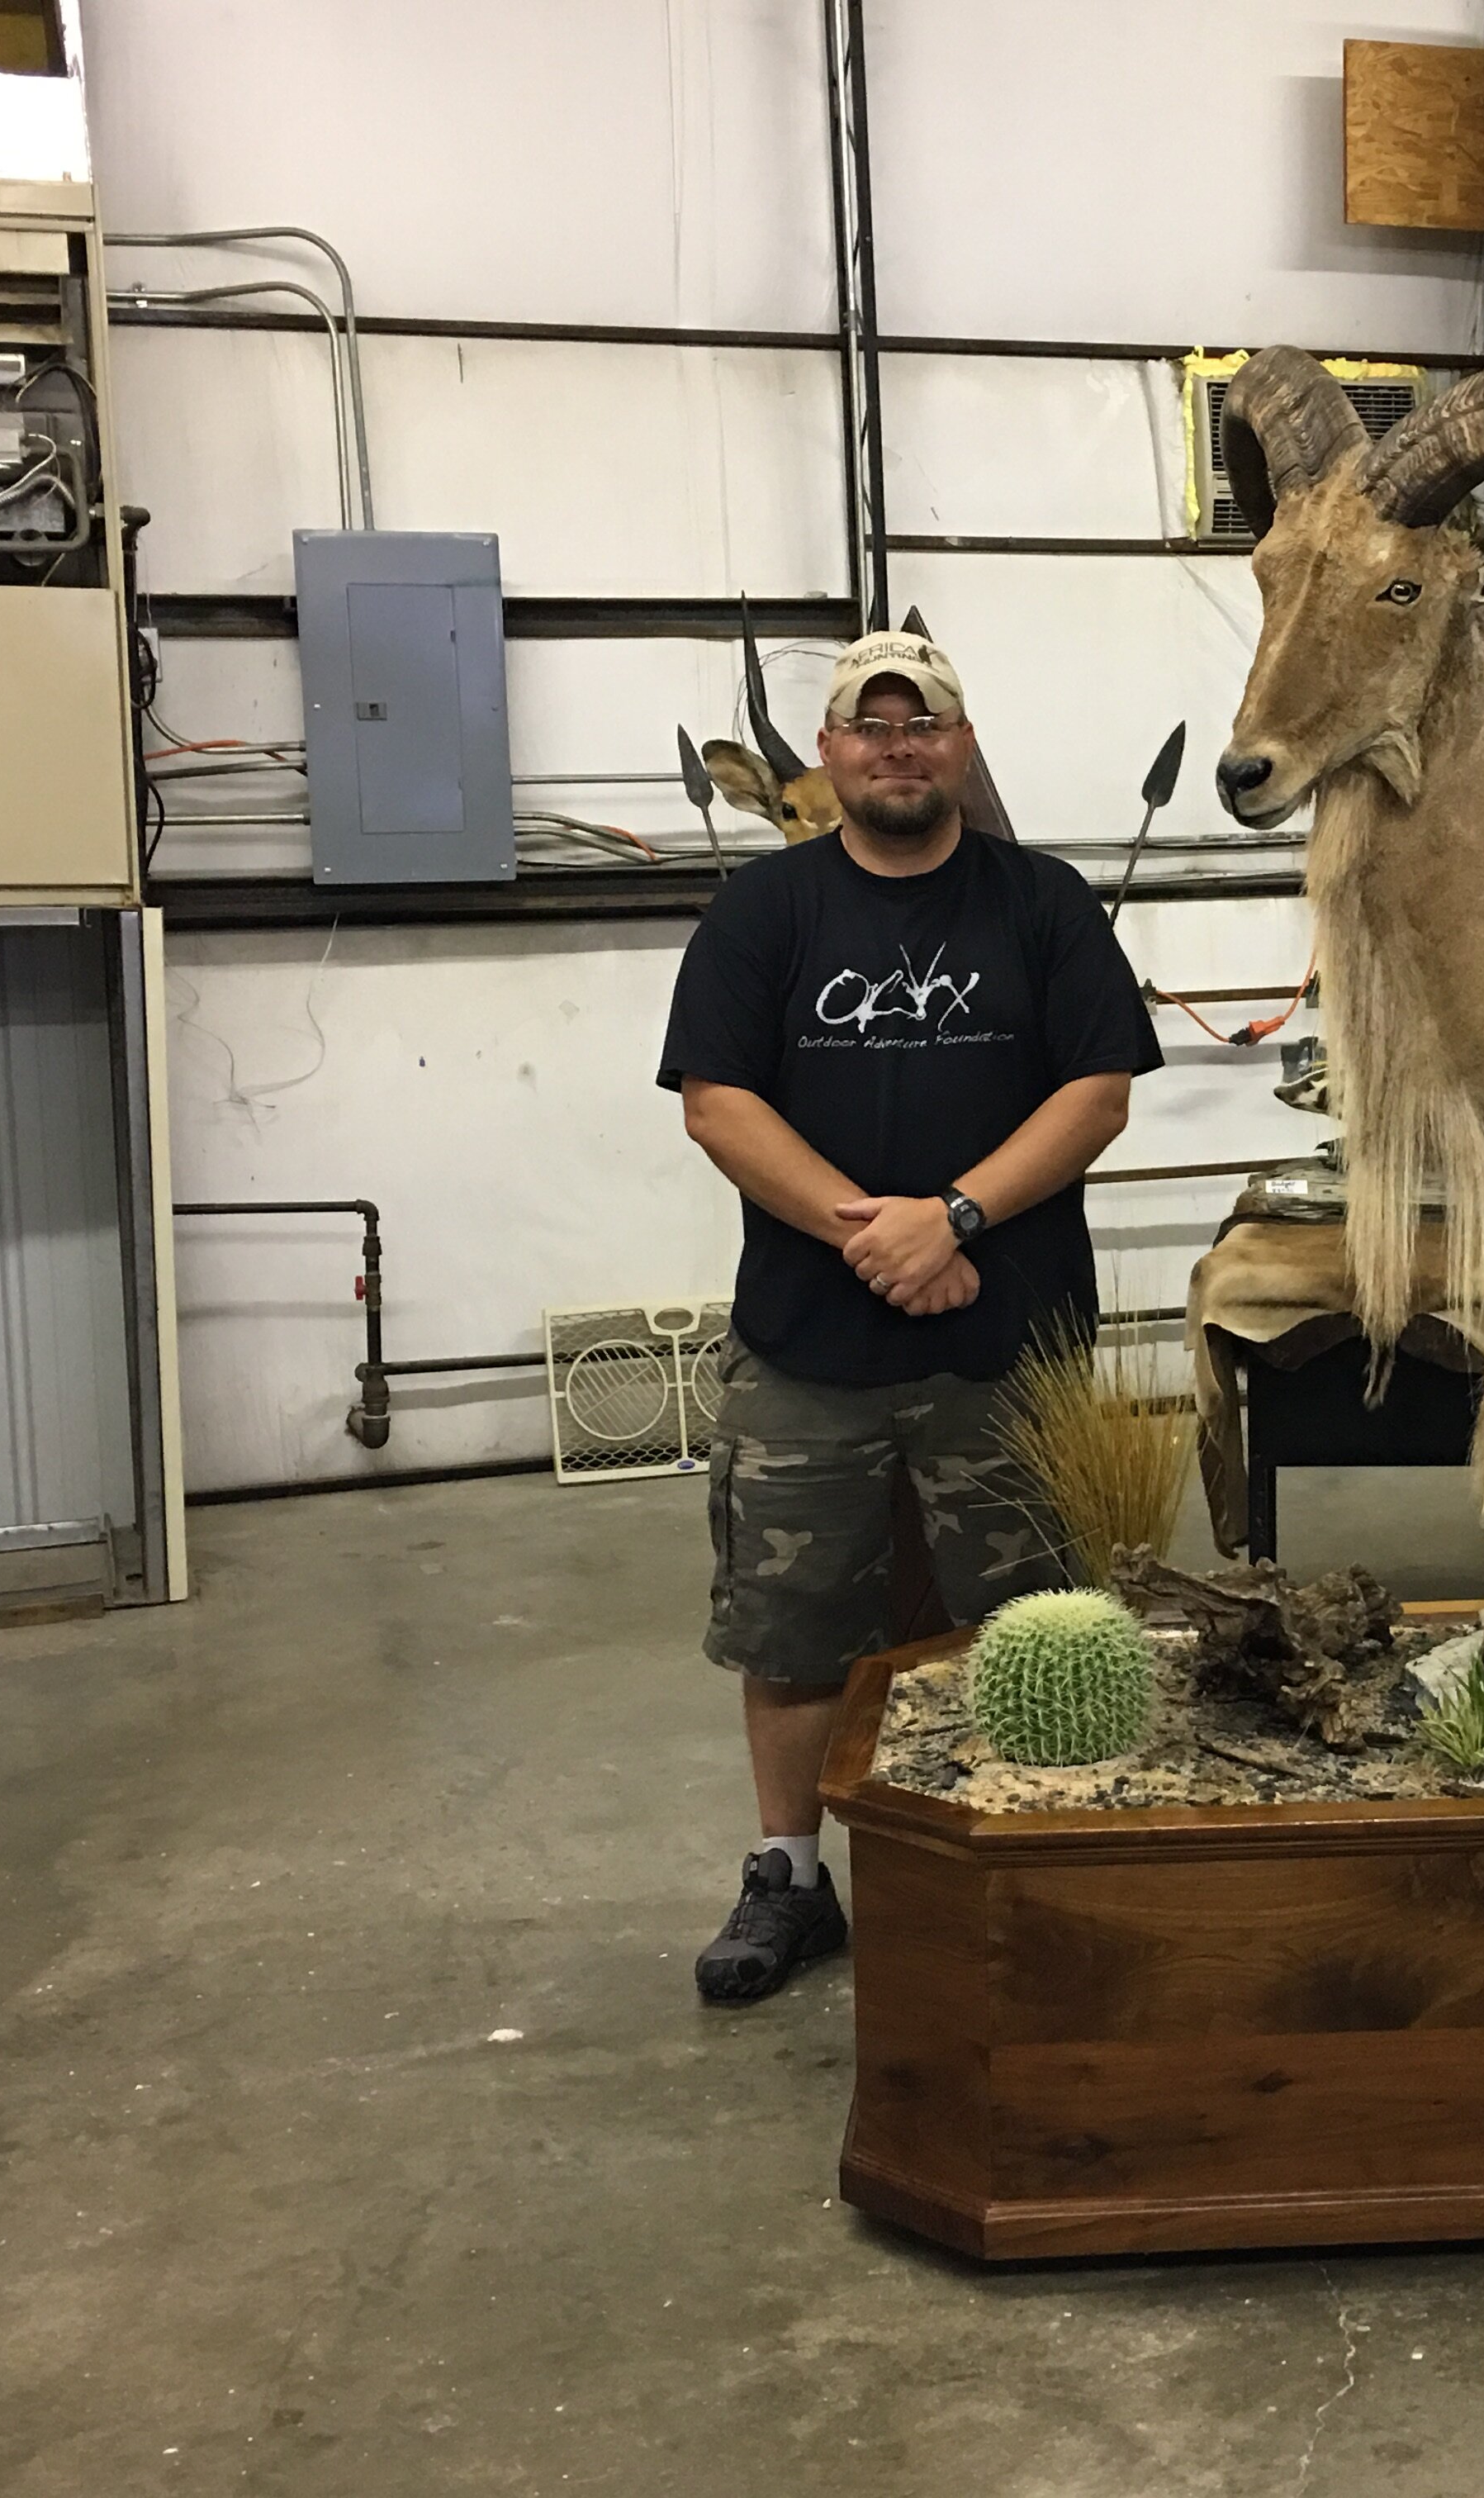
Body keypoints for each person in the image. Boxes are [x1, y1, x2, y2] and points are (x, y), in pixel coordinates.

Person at [657, 628, 1162, 2002]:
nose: (897, 745)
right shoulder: (764, 916)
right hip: (806, 1348)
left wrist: (958, 1220)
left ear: (962, 743)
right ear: (828, 753)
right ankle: (791, 1880)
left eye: (923, 721)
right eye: (869, 725)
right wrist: (873, 1234)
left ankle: (1028, 1858)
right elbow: (718, 1101)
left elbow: (1098, 1092)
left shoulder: (1042, 905)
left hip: (1007, 1346)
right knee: (792, 1625)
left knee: (1033, 1621)